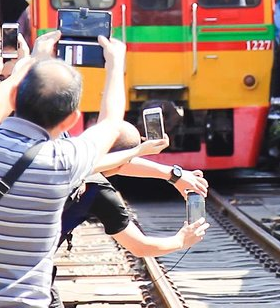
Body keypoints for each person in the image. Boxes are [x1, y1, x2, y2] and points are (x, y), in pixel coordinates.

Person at [0, 30, 127, 307]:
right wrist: (116, 65)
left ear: (15, 98)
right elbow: (112, 123)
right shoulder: (63, 162)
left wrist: (33, 60)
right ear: (72, 120)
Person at [50, 122, 209, 307]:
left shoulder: (60, 148)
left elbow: (114, 161)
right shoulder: (97, 192)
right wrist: (181, 240)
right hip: (29, 270)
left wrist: (173, 175)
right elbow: (141, 247)